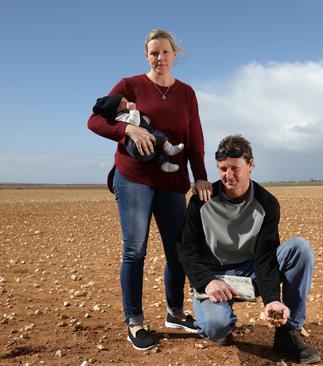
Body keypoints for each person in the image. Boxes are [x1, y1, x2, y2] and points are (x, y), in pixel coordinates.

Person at [87, 28, 213, 351]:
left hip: (172, 181)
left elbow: (195, 140)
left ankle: (175, 312)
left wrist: (200, 176)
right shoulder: (130, 85)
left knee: (179, 250)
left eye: (165, 52)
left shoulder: (187, 94)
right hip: (134, 178)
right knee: (135, 249)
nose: (159, 58)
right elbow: (95, 120)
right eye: (153, 52)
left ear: (175, 55)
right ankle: (136, 322)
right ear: (146, 55)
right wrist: (127, 129)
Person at [178, 135, 320, 364]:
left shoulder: (267, 203)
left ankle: (287, 333)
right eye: (223, 169)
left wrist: (272, 300)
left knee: (300, 248)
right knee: (215, 329)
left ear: (251, 164)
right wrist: (207, 281)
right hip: (216, 277)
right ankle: (222, 321)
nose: (228, 175)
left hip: (252, 271)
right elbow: (187, 249)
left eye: (235, 168)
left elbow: (265, 257)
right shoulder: (201, 201)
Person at [92, 94, 185, 172]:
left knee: (159, 150)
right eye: (125, 101)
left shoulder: (125, 114)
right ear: (119, 107)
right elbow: (134, 123)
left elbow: (140, 122)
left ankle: (164, 164)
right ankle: (171, 149)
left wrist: (145, 119)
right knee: (157, 135)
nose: (128, 102)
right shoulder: (120, 117)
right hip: (136, 147)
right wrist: (133, 110)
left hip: (144, 148)